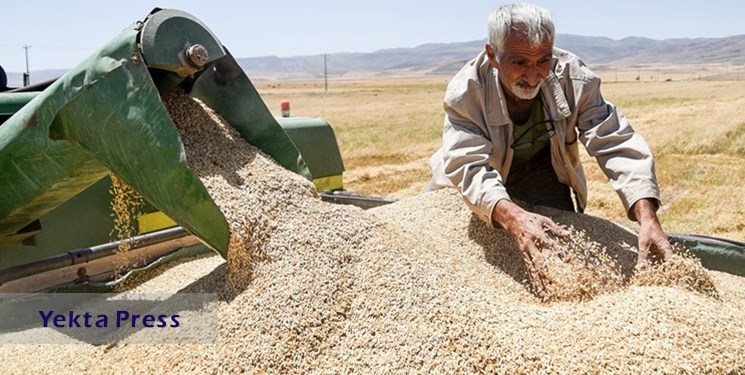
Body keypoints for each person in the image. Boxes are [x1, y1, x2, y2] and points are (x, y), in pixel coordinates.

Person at [427, 2, 673, 283]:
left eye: (542, 60)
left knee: (561, 250)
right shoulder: (467, 92)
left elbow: (615, 140)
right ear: (493, 56)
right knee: (446, 251)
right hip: (475, 182)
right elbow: (468, 166)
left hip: (543, 171)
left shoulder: (575, 78)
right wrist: (511, 216)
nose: (533, 76)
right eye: (519, 62)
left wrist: (647, 216)